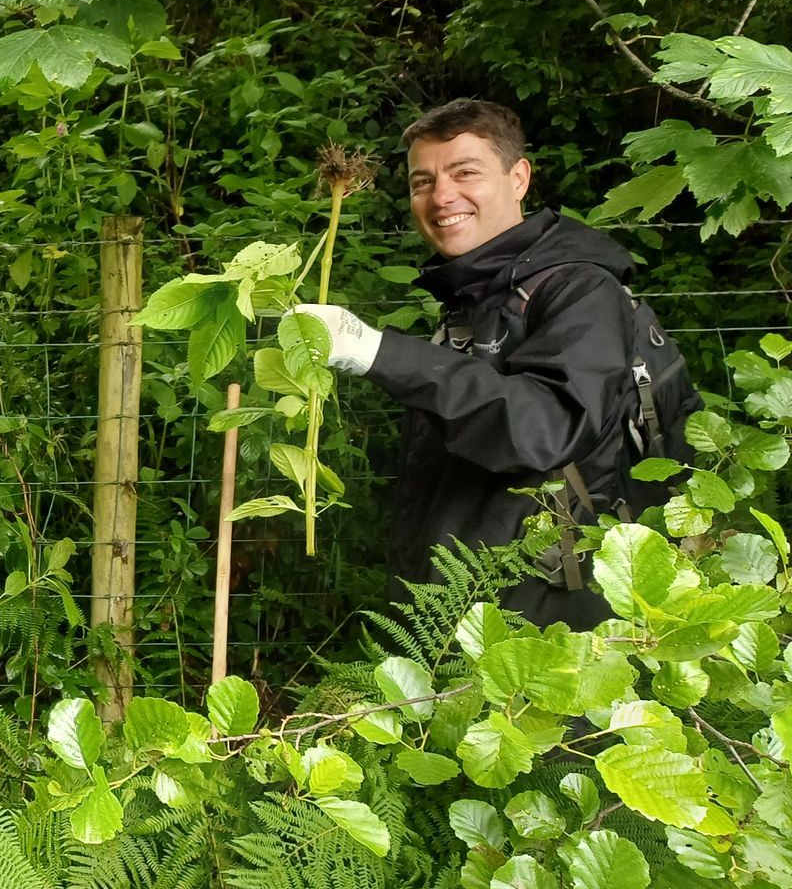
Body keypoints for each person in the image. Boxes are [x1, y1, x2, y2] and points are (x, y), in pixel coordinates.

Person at [289, 98, 697, 628]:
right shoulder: (477, 296)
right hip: (465, 614)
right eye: (421, 182)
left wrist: (378, 352)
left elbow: (546, 429)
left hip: (545, 622)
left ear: (519, 177)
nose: (441, 197)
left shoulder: (579, 291)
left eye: (465, 172)